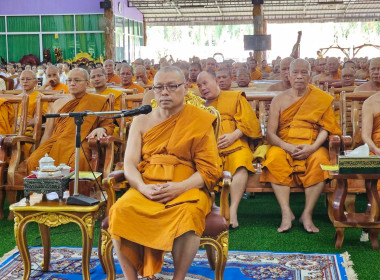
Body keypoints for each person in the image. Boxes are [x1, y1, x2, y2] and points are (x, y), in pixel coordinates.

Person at [108, 66, 221, 279]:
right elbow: (130, 164)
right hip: (147, 184)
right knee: (120, 211)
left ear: (185, 88)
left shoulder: (200, 119)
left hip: (187, 186)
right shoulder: (141, 121)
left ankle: (178, 278)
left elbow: (208, 169)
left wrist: (179, 187)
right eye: (159, 87)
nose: (164, 92)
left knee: (189, 215)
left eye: (171, 86)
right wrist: (142, 187)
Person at [260, 59, 341, 233]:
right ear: (288, 76)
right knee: (274, 158)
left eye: (304, 73)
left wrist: (313, 147)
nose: (299, 76)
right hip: (284, 144)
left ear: (310, 75)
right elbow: (271, 134)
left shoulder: (321, 98)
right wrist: (287, 146)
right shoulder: (279, 100)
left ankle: (307, 214)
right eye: (295, 73)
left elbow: (326, 129)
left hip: (312, 144)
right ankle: (286, 212)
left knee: (320, 159)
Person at [197, 71, 262, 229]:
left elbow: (250, 122)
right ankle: (208, 209)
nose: (202, 88)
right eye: (199, 85)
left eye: (205, 83)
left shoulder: (235, 97)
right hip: (210, 149)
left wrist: (233, 136)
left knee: (241, 163)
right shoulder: (199, 105)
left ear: (216, 80)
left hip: (236, 144)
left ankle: (233, 211)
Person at [27, 68, 114, 174]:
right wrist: (39, 149)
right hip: (57, 141)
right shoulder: (58, 103)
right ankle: (42, 191)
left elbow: (108, 124)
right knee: (35, 159)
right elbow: (48, 133)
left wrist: (102, 128)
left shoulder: (97, 101)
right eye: (69, 80)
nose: (72, 84)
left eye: (77, 80)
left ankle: (74, 190)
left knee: (79, 159)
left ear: (87, 84)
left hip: (82, 141)